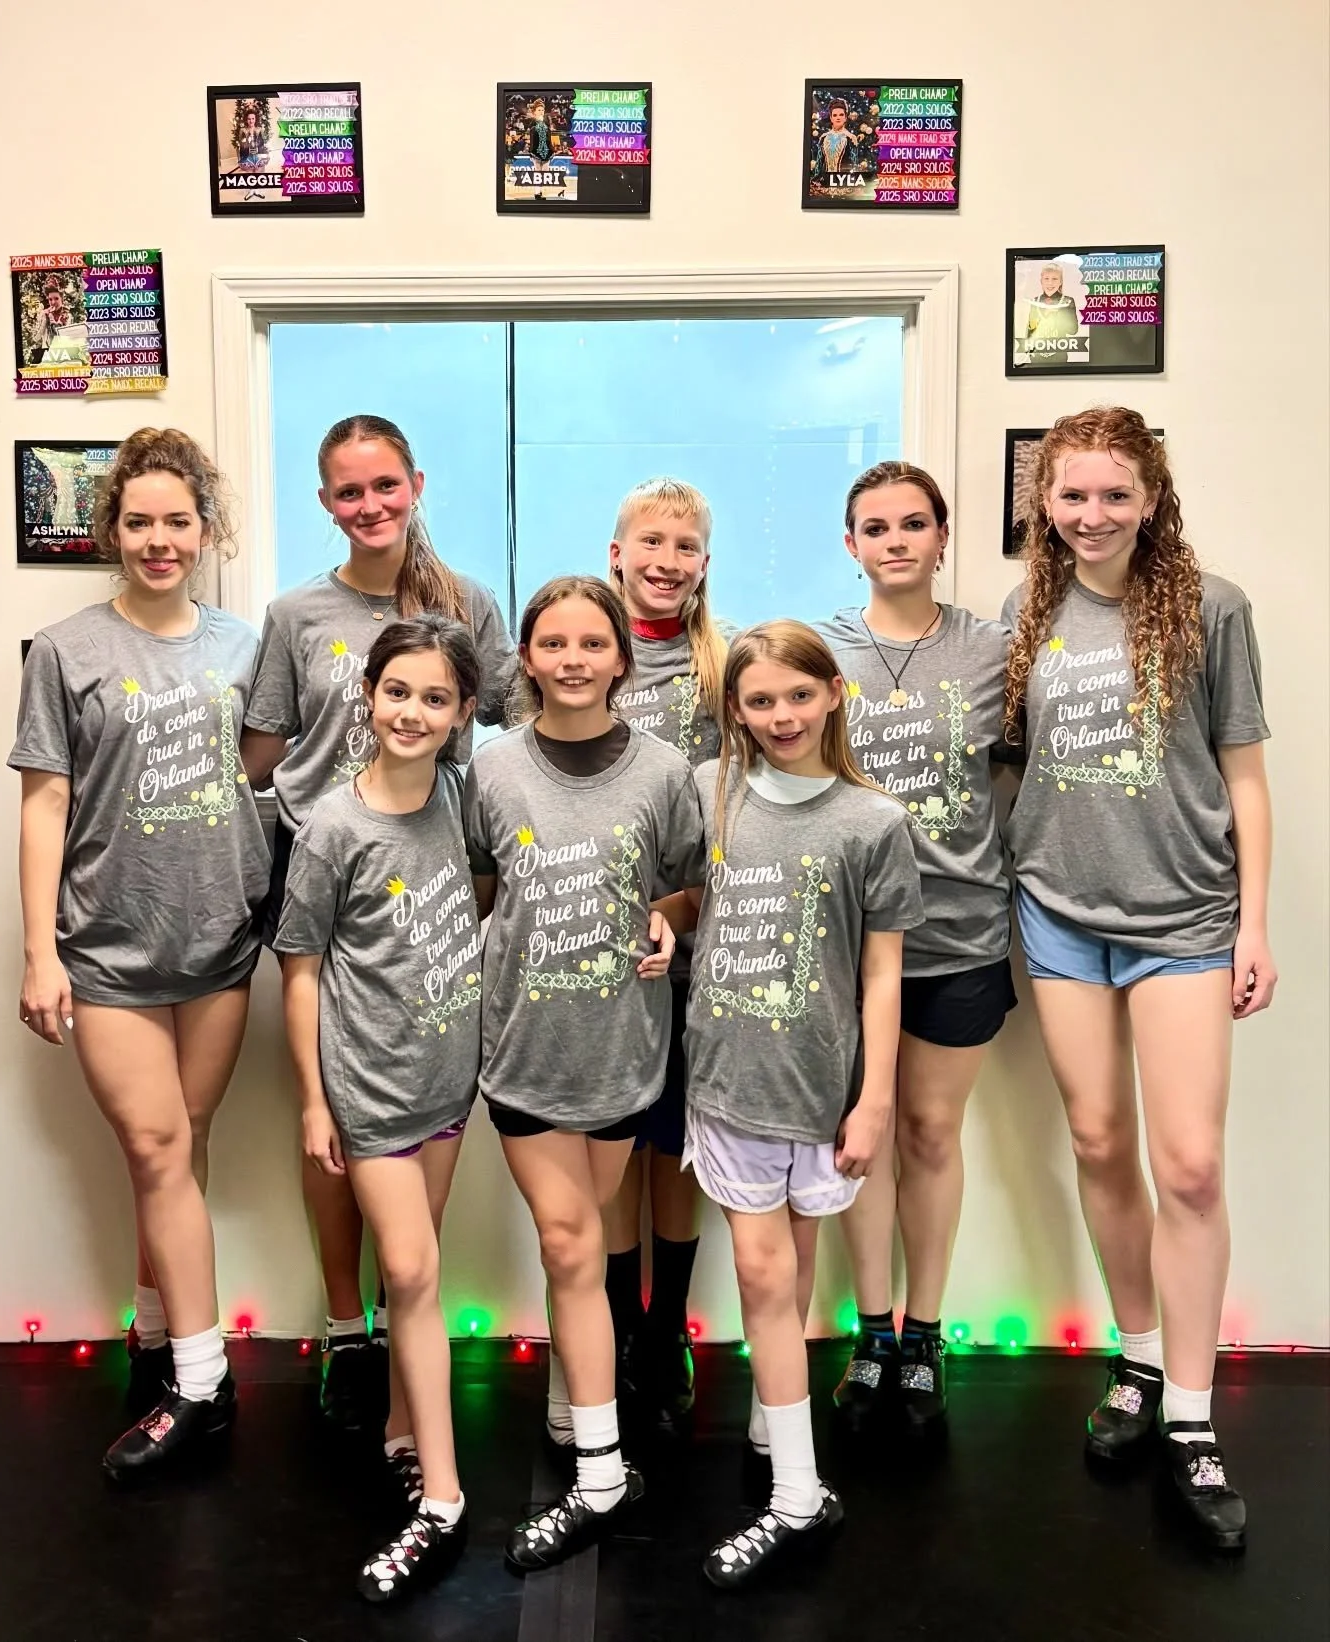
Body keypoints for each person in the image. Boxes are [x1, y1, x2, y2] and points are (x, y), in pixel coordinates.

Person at [1001, 407, 1273, 1553]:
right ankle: (1142, 1358)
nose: (1093, 513)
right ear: (1045, 503)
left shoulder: (1214, 608)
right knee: (1100, 1140)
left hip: (1186, 918)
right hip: (1060, 912)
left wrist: (1254, 925)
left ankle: (1194, 1417)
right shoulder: (1027, 615)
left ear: (1152, 498)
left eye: (1116, 493)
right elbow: (1010, 767)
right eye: (1072, 495)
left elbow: (1244, 776)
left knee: (1191, 1165)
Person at [240, 414, 515, 1444]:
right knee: (334, 1123)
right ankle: (345, 1326)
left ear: (416, 484)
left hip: (432, 866)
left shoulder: (464, 602)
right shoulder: (294, 615)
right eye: (349, 492)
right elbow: (260, 755)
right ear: (326, 502)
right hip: (327, 871)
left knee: (415, 1118)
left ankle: (408, 1326)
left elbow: (519, 718)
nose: (370, 506)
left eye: (386, 486)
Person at [10, 428, 269, 1479]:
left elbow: (268, 776)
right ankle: (203, 1387)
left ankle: (157, 1333)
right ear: (110, 531)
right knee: (159, 1147)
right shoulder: (64, 650)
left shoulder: (244, 647)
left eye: (178, 522)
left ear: (207, 532)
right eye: (139, 522)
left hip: (218, 942)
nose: (159, 540)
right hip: (108, 948)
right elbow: (44, 804)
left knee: (181, 1145)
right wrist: (41, 953)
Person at [665, 621, 922, 1587]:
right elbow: (693, 898)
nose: (782, 716)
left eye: (799, 695)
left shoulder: (873, 821)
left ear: (833, 696)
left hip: (822, 1088)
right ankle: (798, 1496)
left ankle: (781, 1435)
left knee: (795, 1267)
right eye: (761, 700)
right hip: (729, 1077)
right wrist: (664, 919)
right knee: (764, 1273)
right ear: (735, 710)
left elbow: (883, 975)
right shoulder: (710, 791)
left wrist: (875, 1101)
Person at [463, 575, 704, 1572]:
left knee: (585, 1243)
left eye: (591, 643)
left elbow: (691, 886)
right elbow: (479, 893)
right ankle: (602, 1472)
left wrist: (668, 920)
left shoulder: (665, 770)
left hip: (622, 1053)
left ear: (621, 659)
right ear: (526, 658)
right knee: (570, 1243)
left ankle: (577, 1398)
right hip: (523, 1050)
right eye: (553, 643)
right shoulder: (491, 769)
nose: (572, 659)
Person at [274, 615, 482, 1604]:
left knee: (418, 1276)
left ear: (462, 712)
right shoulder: (332, 827)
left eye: (435, 698)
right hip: (368, 1090)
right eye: (397, 691)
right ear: (368, 696)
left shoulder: (459, 797)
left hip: (448, 1083)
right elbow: (301, 969)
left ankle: (403, 1432)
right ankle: (442, 1496)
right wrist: (316, 1102)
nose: (412, 712)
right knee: (408, 1269)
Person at [818, 462, 1015, 1435]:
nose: (894, 541)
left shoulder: (992, 651)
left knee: (932, 1132)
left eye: (912, 524)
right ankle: (873, 1332)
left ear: (942, 535)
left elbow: (1026, 770)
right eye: (875, 527)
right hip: (848, 946)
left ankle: (927, 1332)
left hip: (962, 929)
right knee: (860, 1137)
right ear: (850, 543)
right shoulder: (822, 648)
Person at [602, 478, 728, 1432]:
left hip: (693, 935)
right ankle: (613, 1323)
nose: (666, 561)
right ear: (617, 554)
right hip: (593, 943)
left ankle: (665, 1328)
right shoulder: (583, 652)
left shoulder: (722, 666)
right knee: (612, 1143)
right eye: (651, 542)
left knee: (673, 1144)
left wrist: (680, 909)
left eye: (685, 546)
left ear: (704, 563)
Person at [1024, 263, 1082, 343]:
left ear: (1060, 282)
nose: (1050, 283)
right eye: (1046, 278)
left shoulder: (1067, 301)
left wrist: (1058, 313)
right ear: (1041, 281)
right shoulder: (1035, 301)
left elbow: (1073, 330)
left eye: (1054, 279)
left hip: (1060, 348)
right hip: (1039, 348)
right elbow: (1030, 331)